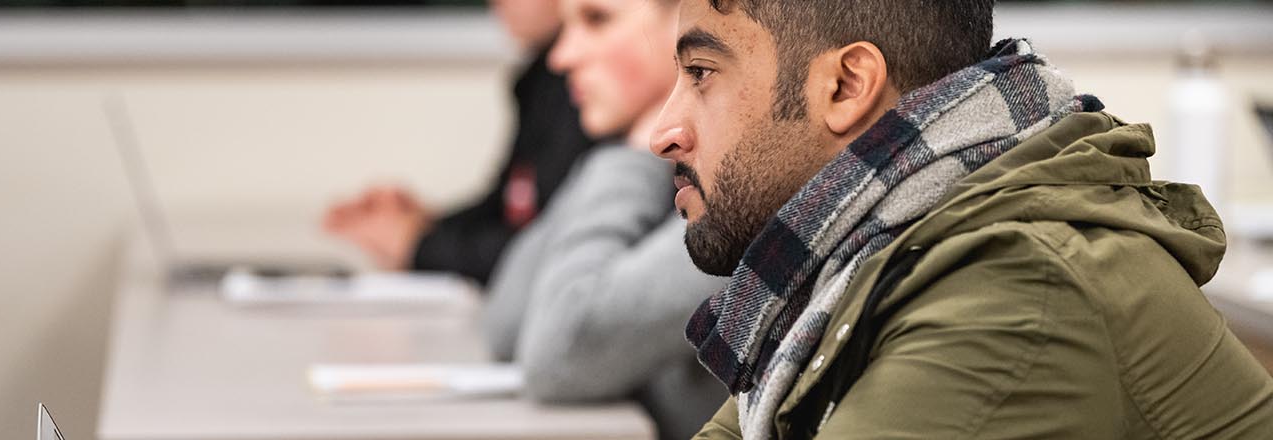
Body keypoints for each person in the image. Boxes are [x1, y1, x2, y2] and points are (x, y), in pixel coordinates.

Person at [651, 0, 1273, 439]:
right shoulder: (853, 258)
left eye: (701, 73)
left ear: (845, 85)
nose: (662, 134)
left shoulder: (1015, 284)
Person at [480, 0, 725, 439]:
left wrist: (632, 160)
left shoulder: (751, 196)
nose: (561, 56)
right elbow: (506, 322)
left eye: (598, 19)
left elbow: (555, 357)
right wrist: (631, 157)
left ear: (692, 22)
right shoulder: (658, 174)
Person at [322, 0, 594, 285]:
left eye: (598, 20)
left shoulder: (588, 103)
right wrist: (426, 226)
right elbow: (509, 207)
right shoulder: (539, 80)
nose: (566, 57)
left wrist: (420, 245)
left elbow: (552, 252)